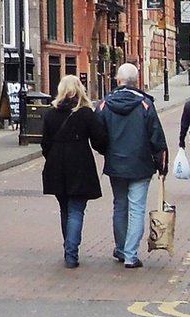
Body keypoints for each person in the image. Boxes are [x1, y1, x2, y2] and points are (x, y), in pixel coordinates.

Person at [97, 62, 168, 268]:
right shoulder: (145, 104)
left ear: (118, 80)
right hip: (141, 164)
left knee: (120, 206)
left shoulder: (104, 104)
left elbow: (97, 136)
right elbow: (157, 137)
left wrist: (107, 151)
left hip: (116, 164)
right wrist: (161, 164)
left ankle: (120, 249)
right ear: (136, 81)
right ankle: (130, 255)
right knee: (136, 209)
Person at [41, 74, 110, 269]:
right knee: (76, 210)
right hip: (79, 163)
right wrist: (106, 150)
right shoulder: (86, 113)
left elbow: (45, 143)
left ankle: (68, 249)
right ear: (79, 89)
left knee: (65, 208)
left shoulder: (50, 113)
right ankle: (71, 253)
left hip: (56, 165)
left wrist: (53, 156)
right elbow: (99, 140)